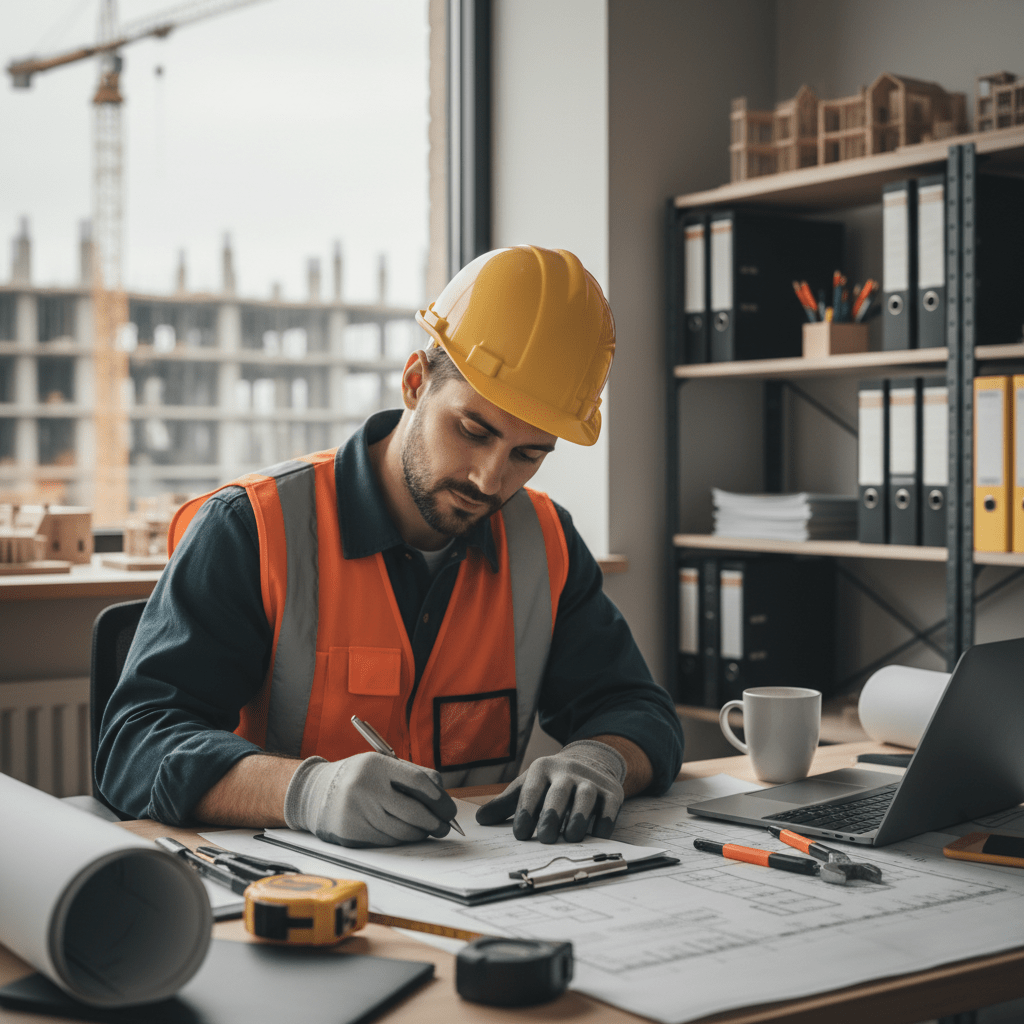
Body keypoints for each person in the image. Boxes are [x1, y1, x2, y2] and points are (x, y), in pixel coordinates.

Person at [96, 245, 683, 847]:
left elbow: (638, 710)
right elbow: (136, 745)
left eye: (527, 455)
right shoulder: (253, 527)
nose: (489, 479)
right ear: (414, 382)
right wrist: (306, 793)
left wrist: (600, 758)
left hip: (486, 895)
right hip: (290, 894)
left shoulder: (545, 543)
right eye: (473, 431)